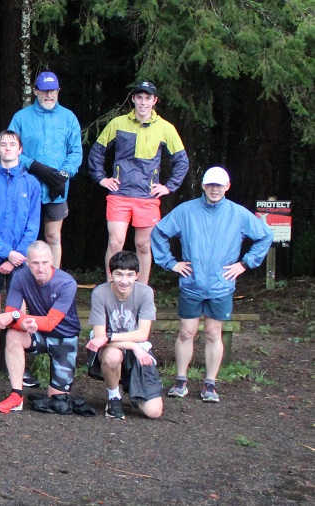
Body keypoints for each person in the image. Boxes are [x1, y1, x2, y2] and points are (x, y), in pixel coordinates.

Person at [152, 166, 272, 402]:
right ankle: (180, 381)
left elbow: (265, 235)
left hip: (221, 285)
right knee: (186, 332)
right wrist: (170, 263)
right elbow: (159, 232)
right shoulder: (186, 211)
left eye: (219, 185)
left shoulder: (238, 214)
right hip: (192, 283)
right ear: (203, 186)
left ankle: (210, 384)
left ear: (227, 187)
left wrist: (244, 264)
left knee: (213, 333)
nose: (215, 189)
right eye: (210, 185)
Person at [88, 80, 190, 284]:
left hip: (147, 196)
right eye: (140, 97)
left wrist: (168, 187)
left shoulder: (165, 128)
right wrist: (101, 178)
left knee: (143, 245)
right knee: (115, 243)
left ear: (154, 101)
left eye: (148, 98)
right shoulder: (117, 123)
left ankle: (141, 291)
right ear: (133, 99)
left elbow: (182, 161)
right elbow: (97, 152)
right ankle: (111, 288)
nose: (143, 102)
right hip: (119, 194)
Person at [0, 130, 41, 384]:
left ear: (20, 150)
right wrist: (6, 253)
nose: (8, 147)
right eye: (3, 144)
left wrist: (16, 256)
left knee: (18, 308)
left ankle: (19, 364)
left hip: (21, 257)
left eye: (12, 144)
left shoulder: (32, 184)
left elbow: (32, 226)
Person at [0, 241, 81, 413]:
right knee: (13, 335)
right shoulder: (20, 277)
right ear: (27, 263)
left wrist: (17, 317)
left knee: (59, 402)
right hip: (37, 334)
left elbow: (49, 322)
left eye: (45, 262)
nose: (41, 268)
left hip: (65, 338)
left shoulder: (67, 283)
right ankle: (16, 395)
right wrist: (20, 323)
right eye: (35, 263)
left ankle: (52, 392)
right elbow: (11, 315)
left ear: (52, 260)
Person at [8, 71, 82, 268]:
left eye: (53, 91)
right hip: (25, 185)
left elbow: (76, 152)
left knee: (53, 236)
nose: (49, 95)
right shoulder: (21, 118)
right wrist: (34, 165)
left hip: (56, 188)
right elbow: (10, 149)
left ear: (58, 91)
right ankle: (23, 278)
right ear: (35, 91)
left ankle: (53, 278)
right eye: (44, 91)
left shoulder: (68, 117)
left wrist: (62, 176)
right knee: (24, 235)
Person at [86, 251, 163, 420]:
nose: (124, 280)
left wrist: (110, 337)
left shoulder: (146, 292)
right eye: (119, 274)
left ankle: (135, 390)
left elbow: (142, 334)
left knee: (154, 412)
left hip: (136, 348)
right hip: (114, 349)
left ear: (137, 275)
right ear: (110, 273)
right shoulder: (99, 293)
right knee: (112, 356)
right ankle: (114, 397)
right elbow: (99, 338)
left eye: (129, 275)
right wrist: (133, 346)